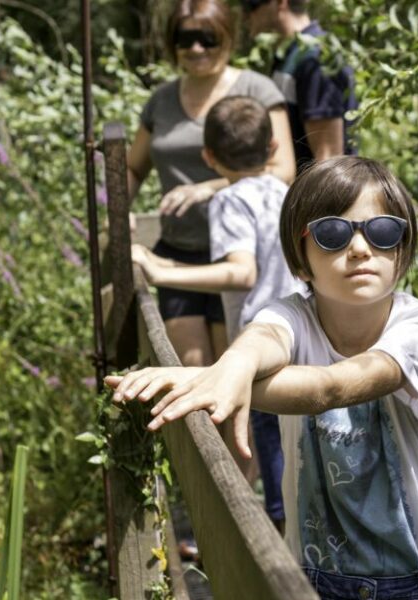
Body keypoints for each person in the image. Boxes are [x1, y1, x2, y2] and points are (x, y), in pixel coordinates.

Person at [109, 157, 418, 600]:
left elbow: (332, 387)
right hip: (311, 578)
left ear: (403, 248)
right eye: (333, 233)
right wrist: (233, 367)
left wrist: (201, 378)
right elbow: (262, 340)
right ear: (301, 259)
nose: (360, 248)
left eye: (383, 231)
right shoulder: (290, 314)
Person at [131, 95, 301, 529]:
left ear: (208, 157)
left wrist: (162, 271)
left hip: (260, 344)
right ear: (273, 148)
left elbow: (242, 272)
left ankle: (277, 542)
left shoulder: (229, 201)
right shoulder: (284, 191)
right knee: (294, 448)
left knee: (269, 445)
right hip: (297, 332)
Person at [128, 0, 298, 368]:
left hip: (241, 252)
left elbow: (283, 169)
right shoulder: (161, 100)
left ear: (227, 37)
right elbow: (132, 169)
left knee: (230, 369)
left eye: (207, 38)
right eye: (184, 38)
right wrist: (118, 210)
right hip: (180, 249)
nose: (196, 48)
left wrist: (210, 188)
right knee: (189, 368)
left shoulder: (257, 89)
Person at [242, 0, 359, 171]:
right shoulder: (292, 54)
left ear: (280, 3)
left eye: (252, 5)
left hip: (315, 186)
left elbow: (328, 158)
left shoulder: (316, 58)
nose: (246, 15)